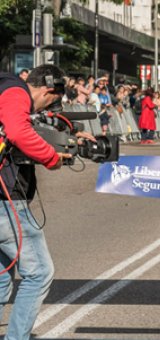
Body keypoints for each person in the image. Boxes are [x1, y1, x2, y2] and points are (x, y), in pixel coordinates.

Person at [0, 65, 94, 339]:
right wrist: (51, 158)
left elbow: (35, 128)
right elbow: (19, 131)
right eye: (51, 102)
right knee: (39, 273)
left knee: (4, 277)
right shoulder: (16, 92)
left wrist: (72, 139)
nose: (44, 109)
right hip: (6, 200)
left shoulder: (6, 87)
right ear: (47, 89)